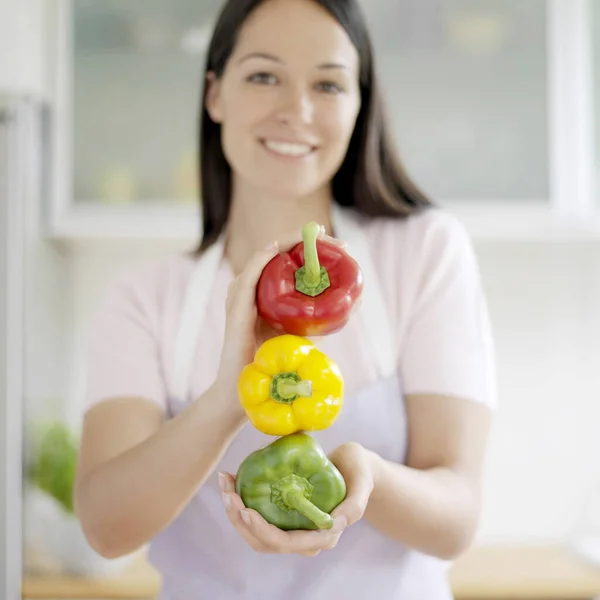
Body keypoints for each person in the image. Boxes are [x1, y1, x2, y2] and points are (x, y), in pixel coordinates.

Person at [73, 0, 496, 598]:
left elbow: (458, 516)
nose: (296, 111)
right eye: (264, 75)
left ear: (358, 104)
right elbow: (105, 526)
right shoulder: (144, 299)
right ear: (215, 95)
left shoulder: (423, 252)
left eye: (328, 83)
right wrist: (227, 398)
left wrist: (365, 478)